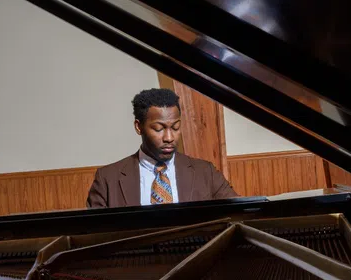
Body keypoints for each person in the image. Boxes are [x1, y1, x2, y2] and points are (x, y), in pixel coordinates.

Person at [86, 88, 238, 208]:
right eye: (159, 129)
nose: (169, 138)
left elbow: (238, 214)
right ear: (139, 127)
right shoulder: (107, 179)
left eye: (176, 127)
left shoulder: (206, 172)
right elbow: (95, 236)